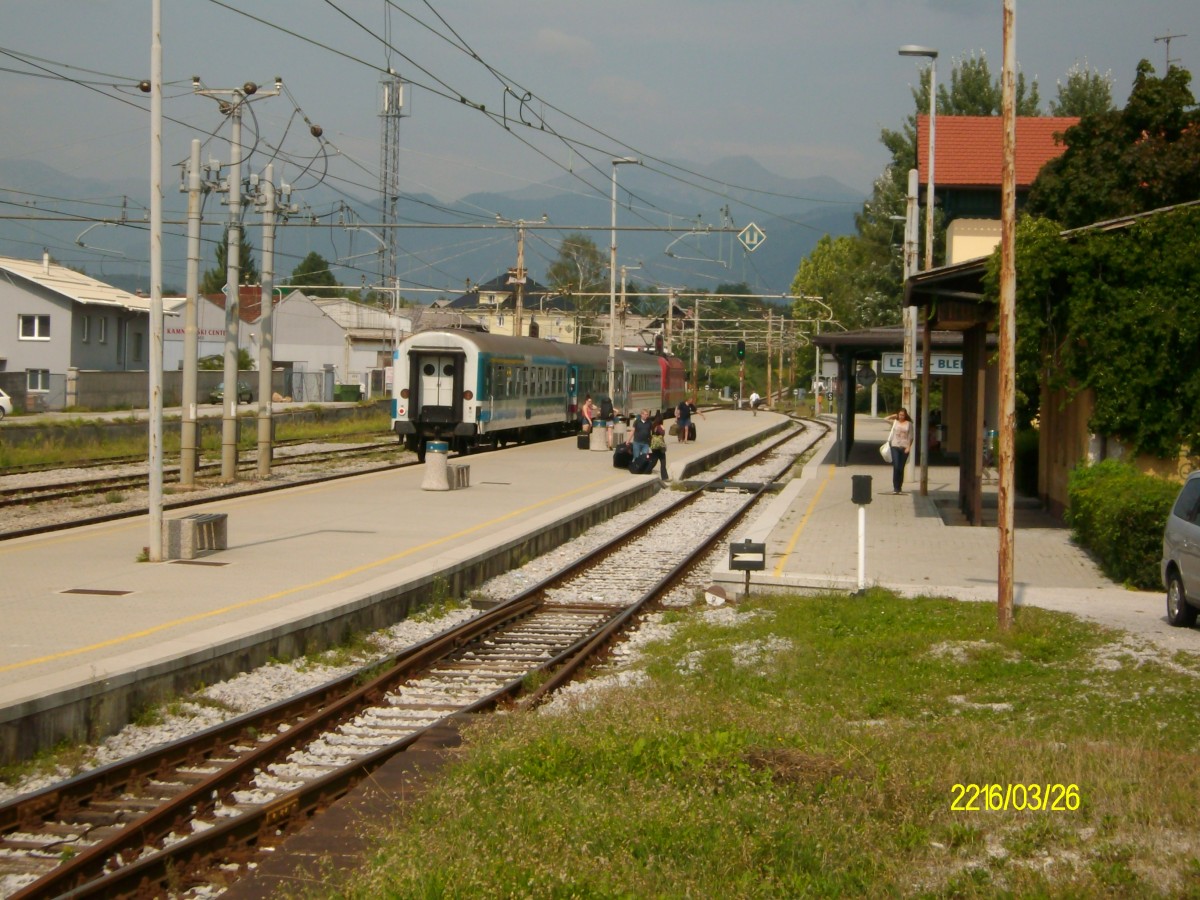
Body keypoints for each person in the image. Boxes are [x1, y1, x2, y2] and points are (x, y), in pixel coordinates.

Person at [885, 407, 914, 494]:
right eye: (900, 415)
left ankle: (899, 487)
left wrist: (909, 447)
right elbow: (885, 419)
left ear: (905, 415)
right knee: (896, 467)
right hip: (895, 446)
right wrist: (893, 415)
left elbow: (911, 437)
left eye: (903, 415)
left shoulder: (909, 424)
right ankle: (895, 488)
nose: (901, 416)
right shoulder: (895, 422)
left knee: (901, 468)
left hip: (904, 448)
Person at [649, 412, 669, 480]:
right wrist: (663, 429)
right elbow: (662, 434)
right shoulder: (660, 427)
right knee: (663, 462)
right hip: (660, 447)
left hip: (654, 447)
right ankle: (665, 477)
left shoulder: (653, 426)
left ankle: (647, 470)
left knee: (654, 461)